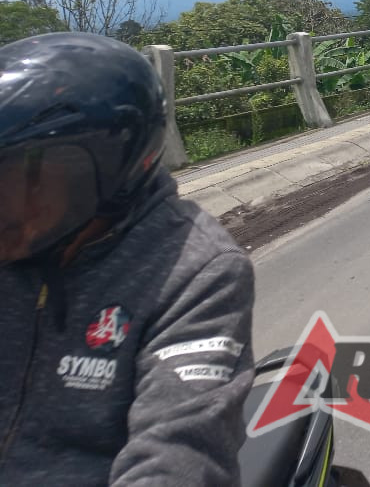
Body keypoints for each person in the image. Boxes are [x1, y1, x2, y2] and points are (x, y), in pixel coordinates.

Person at [0, 32, 255, 485]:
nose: (6, 202)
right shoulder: (18, 243)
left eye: (25, 177)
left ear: (108, 166)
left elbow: (182, 448)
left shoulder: (196, 270)